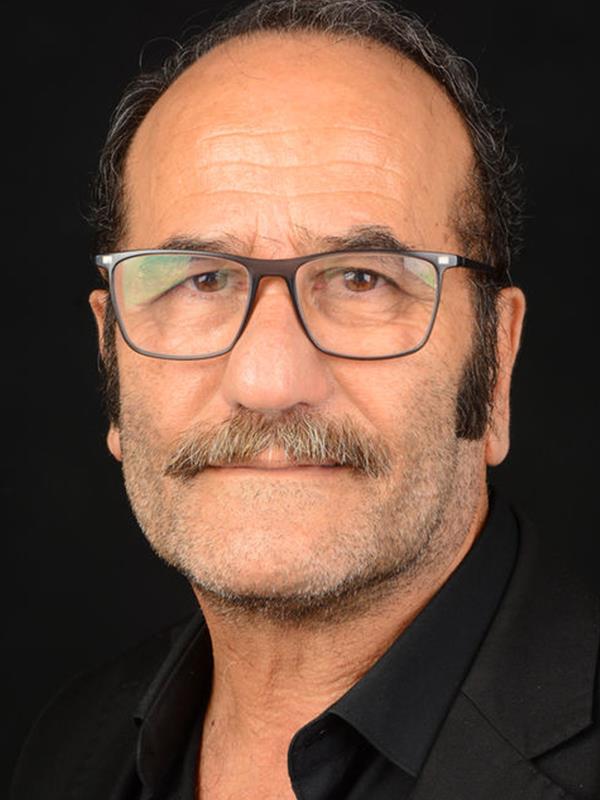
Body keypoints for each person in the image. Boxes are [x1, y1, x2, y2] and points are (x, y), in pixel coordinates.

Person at [12, 1, 599, 798]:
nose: (269, 381)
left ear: (494, 366)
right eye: (202, 281)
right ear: (110, 353)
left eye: (362, 280)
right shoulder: (70, 748)